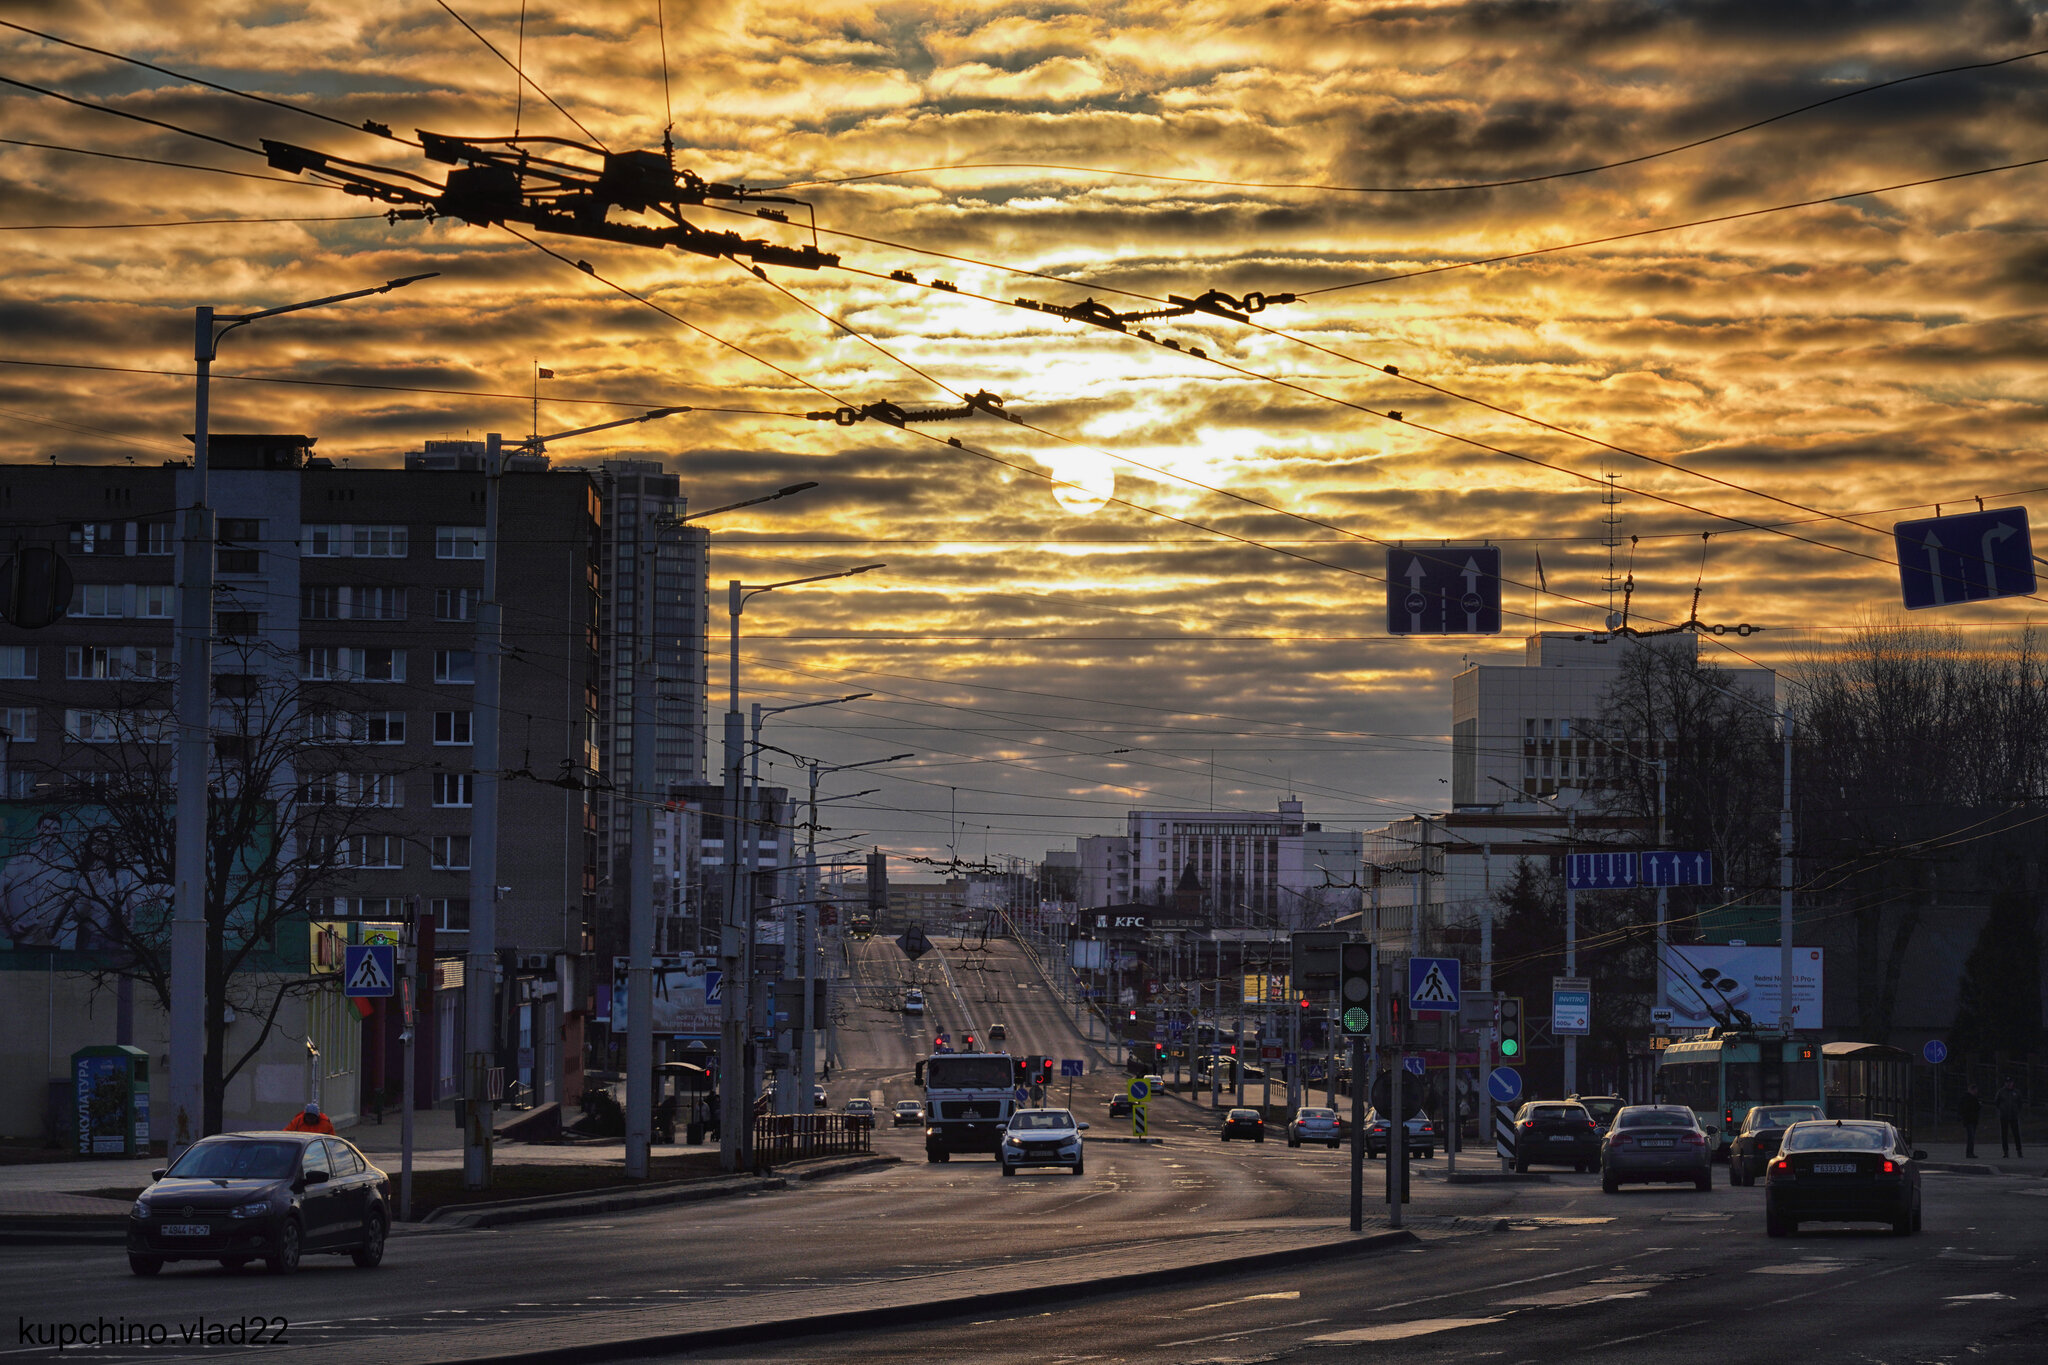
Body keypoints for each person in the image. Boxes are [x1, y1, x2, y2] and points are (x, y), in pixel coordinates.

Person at [1995, 1079, 2023, 1159]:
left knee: (2016, 1134)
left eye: (2010, 1082)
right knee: (2004, 1134)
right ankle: (2006, 1152)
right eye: (2007, 1082)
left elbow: (2020, 1102)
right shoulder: (2001, 1092)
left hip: (2014, 1116)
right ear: (2005, 1083)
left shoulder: (2016, 1092)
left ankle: (2019, 1151)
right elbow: (1997, 1102)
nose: (2009, 1084)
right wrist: (2002, 1109)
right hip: (2004, 1116)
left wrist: (2017, 1111)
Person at [1958, 1082, 1982, 1159]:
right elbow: (1965, 1109)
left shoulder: (1974, 1098)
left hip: (1973, 1120)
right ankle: (1969, 1153)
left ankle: (1970, 1152)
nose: (1975, 1092)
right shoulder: (1966, 1098)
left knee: (1971, 1137)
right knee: (1970, 1137)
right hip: (1969, 1120)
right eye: (1974, 1090)